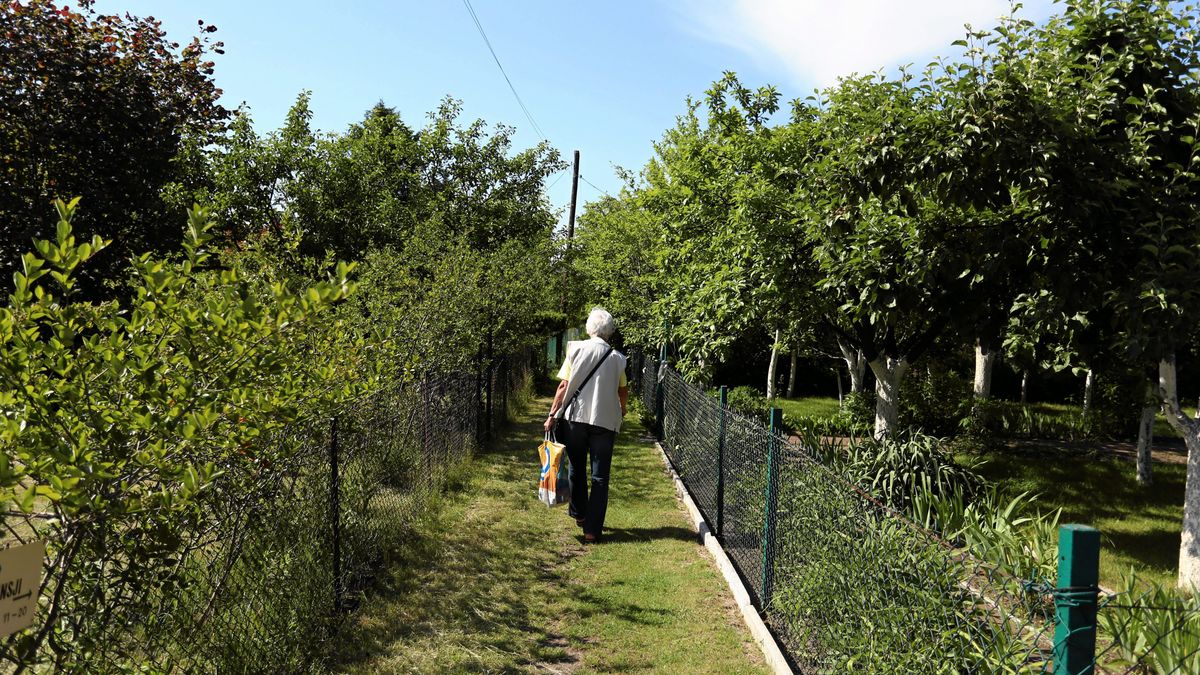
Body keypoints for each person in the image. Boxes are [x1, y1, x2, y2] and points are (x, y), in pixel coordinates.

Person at [544, 307, 629, 543]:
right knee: (600, 477)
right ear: (609, 331)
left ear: (589, 327)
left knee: (576, 467)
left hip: (575, 419)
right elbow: (622, 390)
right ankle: (592, 530)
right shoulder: (618, 358)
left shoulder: (576, 349)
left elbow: (563, 387)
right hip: (605, 421)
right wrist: (622, 410)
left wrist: (552, 415)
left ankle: (580, 513)